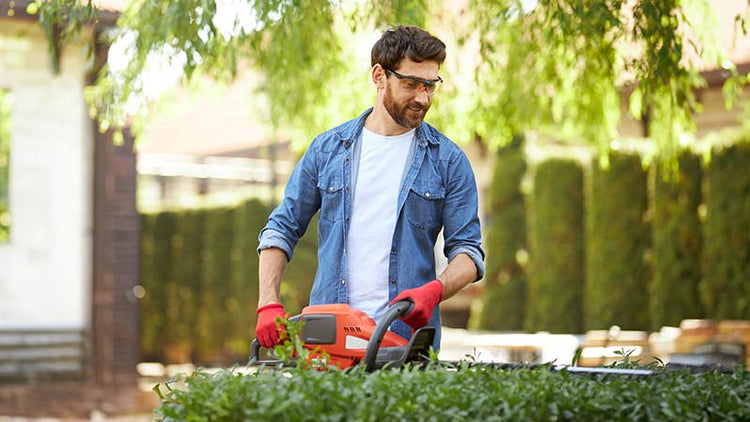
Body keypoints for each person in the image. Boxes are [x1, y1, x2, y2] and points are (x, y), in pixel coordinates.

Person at [255, 25, 484, 351]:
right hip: (329, 342)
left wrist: (434, 290)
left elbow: (469, 253)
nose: (423, 97)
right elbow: (281, 228)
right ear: (379, 77)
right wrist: (268, 303)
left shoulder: (448, 161)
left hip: (405, 345)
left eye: (431, 87)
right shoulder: (328, 150)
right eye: (411, 84)